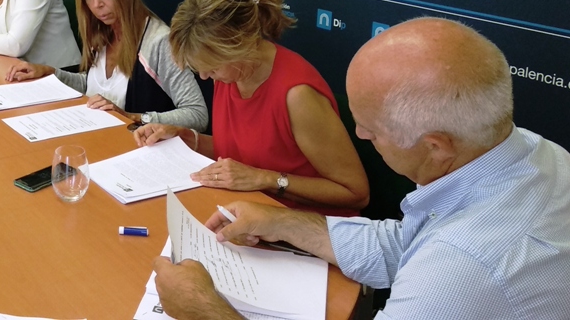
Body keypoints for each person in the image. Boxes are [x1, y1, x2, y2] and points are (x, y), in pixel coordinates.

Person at [153, 17, 570, 320]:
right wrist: (282, 223)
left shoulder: (461, 270)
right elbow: (408, 243)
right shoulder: (534, 153)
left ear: (435, 147)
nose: (358, 134)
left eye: (371, 130)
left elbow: (443, 259)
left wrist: (204, 310)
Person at [135, 0, 368, 216]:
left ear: (238, 47)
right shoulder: (229, 73)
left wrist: (265, 179)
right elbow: (243, 152)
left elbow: (355, 193)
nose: (205, 76)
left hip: (306, 226)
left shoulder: (297, 96)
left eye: (212, 68)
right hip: (250, 214)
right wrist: (186, 138)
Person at [6, 0, 208, 131]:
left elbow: (197, 113)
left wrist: (134, 117)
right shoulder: (101, 31)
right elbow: (92, 86)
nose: (97, 4)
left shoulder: (158, 42)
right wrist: (51, 74)